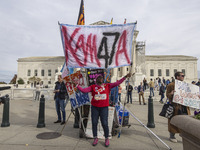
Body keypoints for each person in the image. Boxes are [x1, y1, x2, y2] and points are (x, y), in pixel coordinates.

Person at [77, 73, 132, 147]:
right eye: (98, 78)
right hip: (95, 108)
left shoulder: (107, 86)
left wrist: (125, 76)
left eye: (101, 77)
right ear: (96, 80)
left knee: (104, 123)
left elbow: (117, 83)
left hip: (104, 108)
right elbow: (84, 90)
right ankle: (95, 137)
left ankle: (106, 138)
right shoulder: (93, 87)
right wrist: (76, 85)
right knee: (94, 123)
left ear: (103, 80)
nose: (100, 78)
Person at [166, 72, 191, 143]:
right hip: (175, 106)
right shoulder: (171, 85)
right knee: (173, 121)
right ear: (177, 77)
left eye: (183, 76)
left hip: (184, 106)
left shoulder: (186, 85)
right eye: (182, 76)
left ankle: (185, 136)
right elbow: (167, 95)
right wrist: (171, 94)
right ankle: (172, 135)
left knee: (186, 121)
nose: (183, 77)